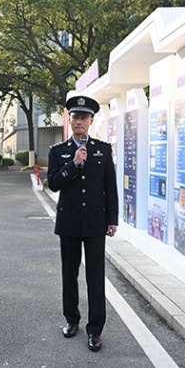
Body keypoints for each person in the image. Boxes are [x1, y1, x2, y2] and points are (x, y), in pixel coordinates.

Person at [47, 95, 118, 352]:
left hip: (95, 222)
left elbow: (110, 187)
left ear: (91, 121)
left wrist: (112, 219)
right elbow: (53, 183)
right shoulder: (58, 151)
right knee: (70, 273)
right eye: (75, 117)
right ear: (70, 120)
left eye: (84, 117)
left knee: (95, 277)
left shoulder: (103, 150)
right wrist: (74, 163)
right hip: (69, 222)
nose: (79, 121)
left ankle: (95, 330)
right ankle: (72, 319)